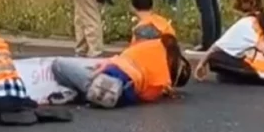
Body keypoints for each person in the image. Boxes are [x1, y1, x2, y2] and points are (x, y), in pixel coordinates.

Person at [49, 33, 190, 108]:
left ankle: (82, 91)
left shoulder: (154, 46)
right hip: (123, 95)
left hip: (111, 78)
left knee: (58, 64)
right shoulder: (162, 81)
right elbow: (145, 96)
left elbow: (122, 58)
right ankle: (86, 94)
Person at [194, 0, 264, 85]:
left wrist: (201, 64)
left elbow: (217, 47)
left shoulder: (245, 23)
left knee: (215, 57)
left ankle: (236, 78)